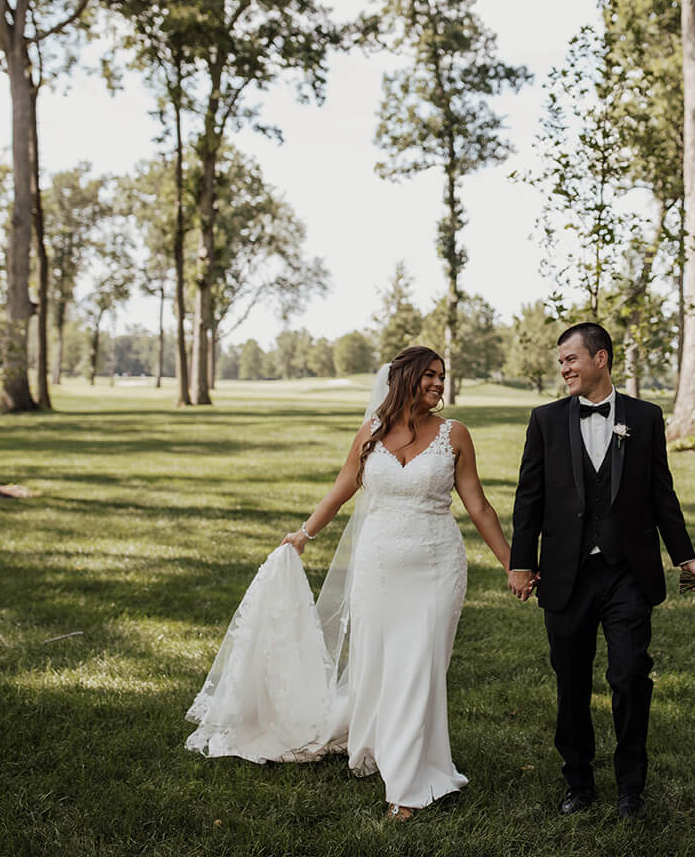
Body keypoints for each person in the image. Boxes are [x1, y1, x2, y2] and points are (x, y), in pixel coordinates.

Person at [186, 346, 512, 821]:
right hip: (377, 570)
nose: (440, 385)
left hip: (436, 568)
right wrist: (305, 533)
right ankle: (381, 745)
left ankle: (407, 782)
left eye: (442, 377)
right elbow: (342, 487)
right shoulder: (370, 436)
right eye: (429, 376)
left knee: (420, 667)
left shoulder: (455, 435)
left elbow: (479, 506)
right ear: (403, 380)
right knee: (378, 664)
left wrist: (512, 564)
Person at [507, 322, 695, 820]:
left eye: (571, 359)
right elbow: (529, 497)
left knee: (629, 676)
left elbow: (662, 492)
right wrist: (520, 562)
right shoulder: (545, 420)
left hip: (627, 574)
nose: (564, 369)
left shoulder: (645, 417)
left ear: (601, 359)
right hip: (565, 573)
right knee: (571, 682)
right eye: (561, 362)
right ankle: (578, 783)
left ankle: (630, 788)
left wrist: (685, 556)